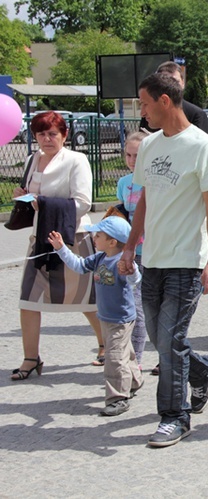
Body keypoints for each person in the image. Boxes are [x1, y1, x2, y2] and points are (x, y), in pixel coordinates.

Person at [119, 72, 208, 447]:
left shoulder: (203, 147)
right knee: (166, 340)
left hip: (187, 259)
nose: (141, 111)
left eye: (145, 103)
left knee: (170, 337)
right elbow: (144, 199)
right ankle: (203, 370)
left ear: (165, 101)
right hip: (153, 258)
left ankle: (174, 417)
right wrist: (131, 246)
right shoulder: (148, 146)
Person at [11, 111, 104, 381]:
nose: (47, 139)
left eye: (53, 133)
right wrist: (23, 197)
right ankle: (31, 358)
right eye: (41, 134)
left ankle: (106, 345)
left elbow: (83, 202)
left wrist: (44, 202)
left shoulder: (77, 160)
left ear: (64, 135)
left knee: (87, 298)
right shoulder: (31, 160)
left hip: (72, 236)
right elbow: (31, 197)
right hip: (40, 238)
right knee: (28, 298)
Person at [48, 217, 144, 416]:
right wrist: (61, 249)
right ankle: (134, 381)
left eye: (98, 235)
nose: (94, 237)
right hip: (106, 316)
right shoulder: (99, 258)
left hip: (121, 318)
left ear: (112, 242)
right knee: (125, 352)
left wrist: (132, 269)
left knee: (114, 357)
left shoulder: (122, 261)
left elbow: (136, 279)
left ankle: (118, 398)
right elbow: (78, 265)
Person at [116, 131, 148, 369]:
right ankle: (135, 357)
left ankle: (171, 356)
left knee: (154, 305)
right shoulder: (124, 183)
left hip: (155, 249)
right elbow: (122, 214)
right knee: (134, 304)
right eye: (128, 154)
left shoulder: (154, 180)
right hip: (132, 250)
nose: (132, 160)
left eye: (137, 155)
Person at [139, 61, 208, 136]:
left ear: (183, 83)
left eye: (175, 81)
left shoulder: (196, 114)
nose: (170, 85)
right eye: (164, 81)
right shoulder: (149, 113)